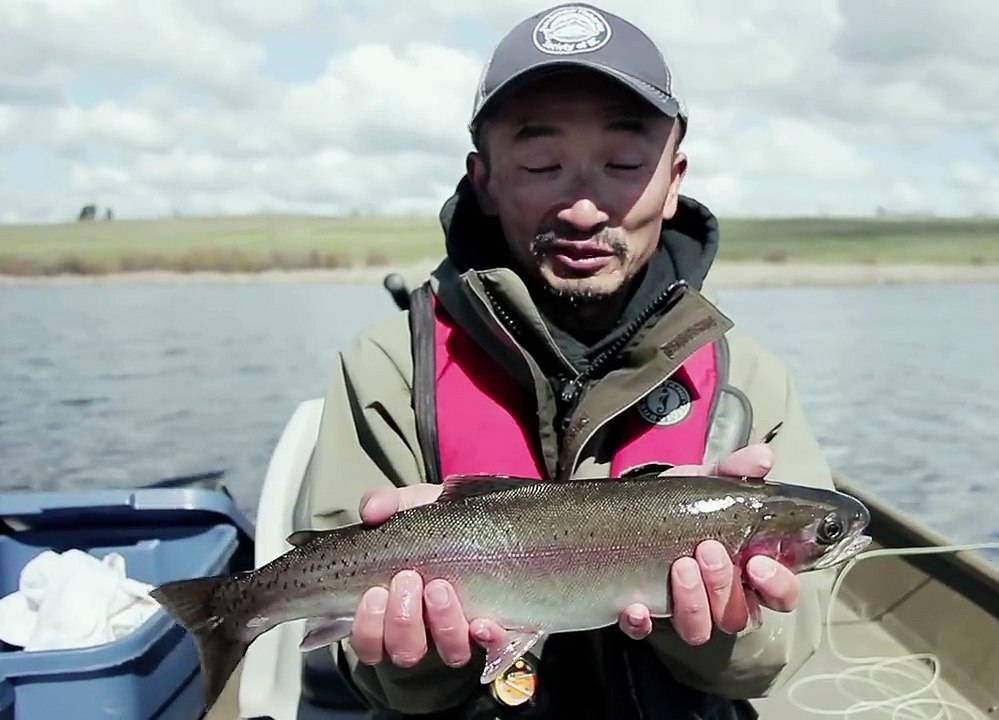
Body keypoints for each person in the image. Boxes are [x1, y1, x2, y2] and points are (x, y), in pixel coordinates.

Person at [297, 3, 839, 718]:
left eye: (624, 164)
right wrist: (418, 651)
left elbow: (779, 652)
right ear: (484, 179)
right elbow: (358, 665)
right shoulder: (385, 370)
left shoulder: (751, 384)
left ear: (674, 180)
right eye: (541, 164)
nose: (584, 209)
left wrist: (716, 626)